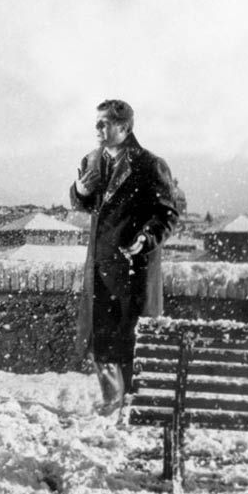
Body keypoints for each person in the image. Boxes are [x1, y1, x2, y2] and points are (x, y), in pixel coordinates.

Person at [70, 99, 179, 415]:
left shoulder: (149, 164)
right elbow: (85, 203)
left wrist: (146, 238)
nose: (98, 129)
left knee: (131, 338)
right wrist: (80, 190)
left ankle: (133, 404)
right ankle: (111, 401)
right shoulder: (92, 160)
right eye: (97, 123)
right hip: (100, 264)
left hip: (135, 267)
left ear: (125, 127)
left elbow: (167, 213)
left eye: (104, 123)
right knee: (100, 338)